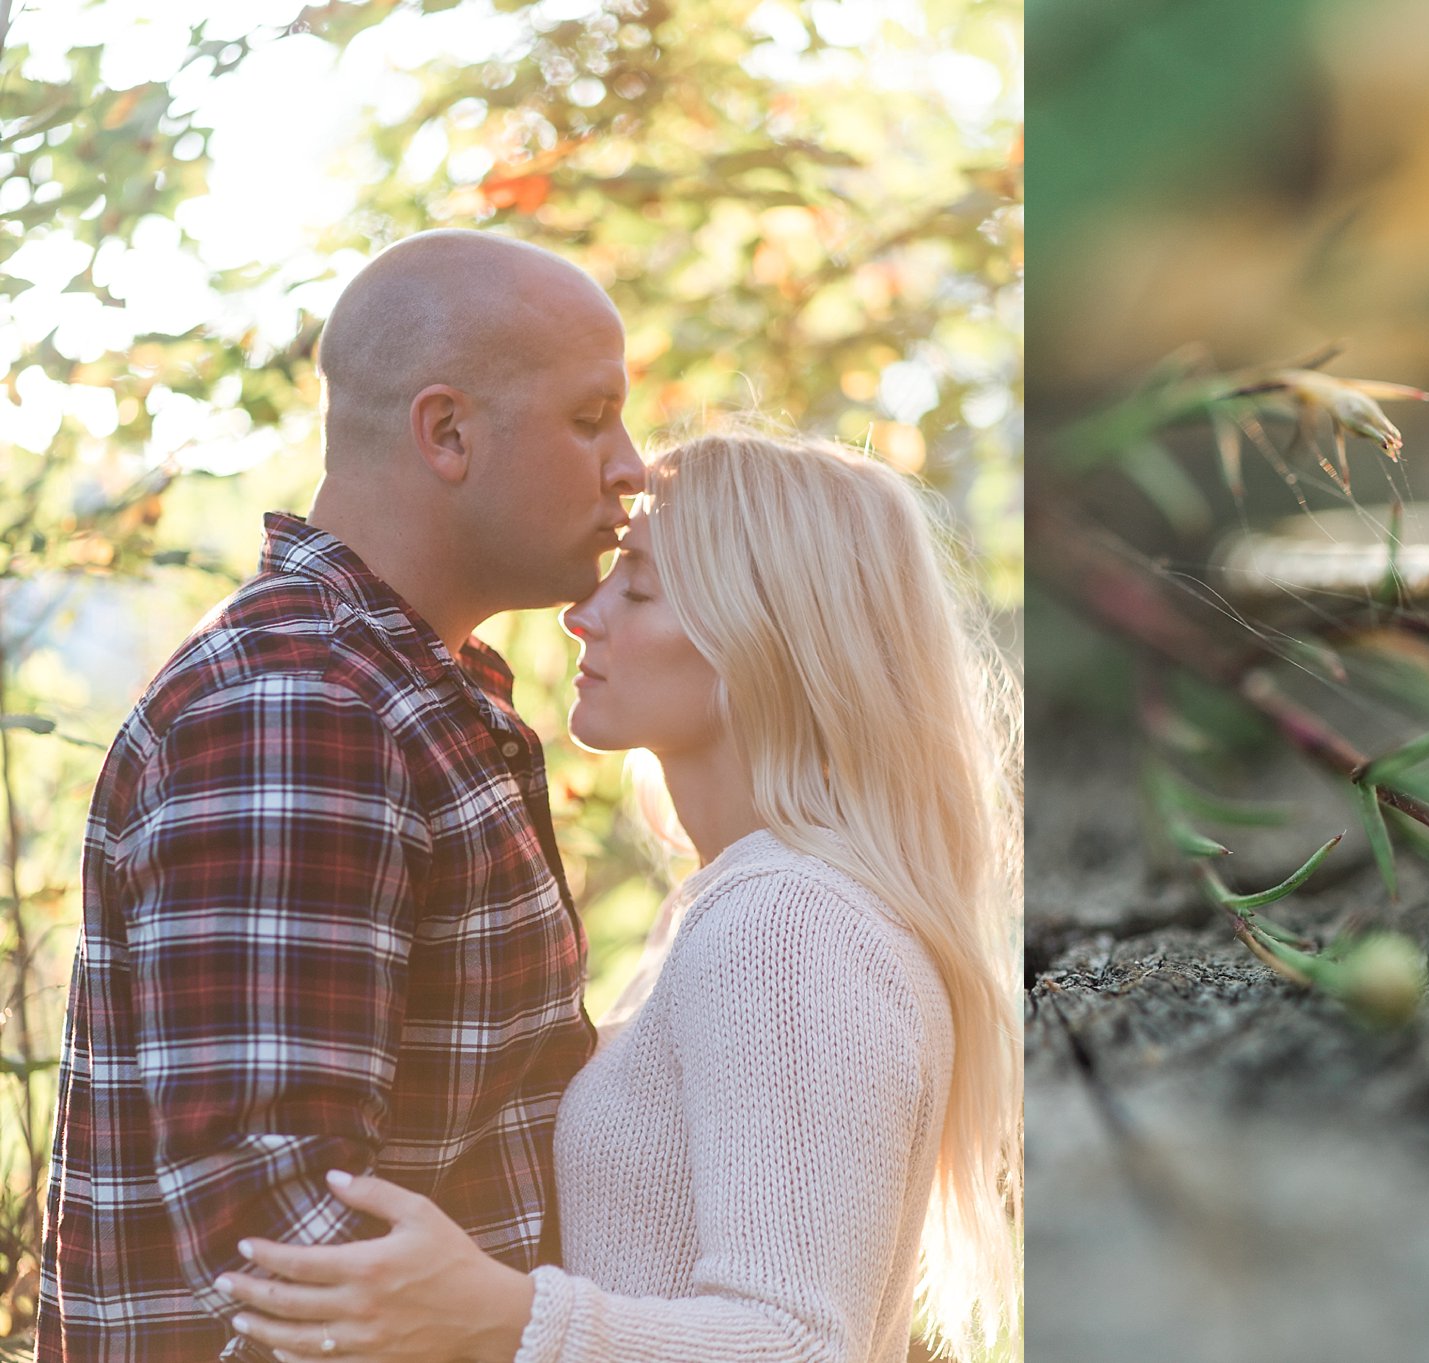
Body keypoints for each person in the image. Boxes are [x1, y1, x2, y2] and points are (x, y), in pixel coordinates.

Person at [214, 427, 1023, 1363]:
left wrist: (503, 1316)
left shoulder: (788, 924)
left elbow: (796, 1341)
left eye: (635, 586)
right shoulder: (736, 903)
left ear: (755, 637)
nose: (580, 615)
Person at [38, 229, 647, 1361]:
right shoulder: (298, 709)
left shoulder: (408, 692)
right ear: (448, 433)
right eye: (588, 417)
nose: (631, 465)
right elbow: (290, 1254)